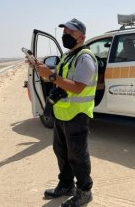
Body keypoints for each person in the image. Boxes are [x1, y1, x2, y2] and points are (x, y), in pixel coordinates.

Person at [34, 18, 97, 207]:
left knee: (77, 156)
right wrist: (42, 69)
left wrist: (51, 75)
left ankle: (85, 191)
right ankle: (66, 184)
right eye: (64, 33)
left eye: (70, 33)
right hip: (62, 113)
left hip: (77, 114)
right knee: (61, 152)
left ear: (82, 36)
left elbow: (77, 87)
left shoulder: (85, 58)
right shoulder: (69, 56)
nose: (65, 35)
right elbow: (62, 77)